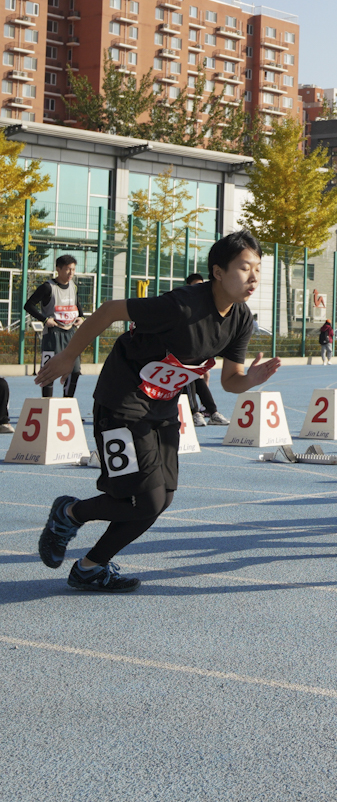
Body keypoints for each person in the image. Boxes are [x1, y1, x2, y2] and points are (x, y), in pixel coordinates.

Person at [35, 231, 278, 592]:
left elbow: (231, 381)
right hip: (121, 400)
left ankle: (90, 566)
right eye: (245, 268)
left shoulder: (241, 318)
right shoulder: (181, 305)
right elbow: (111, 310)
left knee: (161, 499)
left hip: (162, 407)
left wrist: (251, 380)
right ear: (217, 271)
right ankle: (69, 514)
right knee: (143, 500)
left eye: (258, 269)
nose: (254, 277)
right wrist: (69, 355)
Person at [26, 254, 85, 399]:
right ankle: (47, 405)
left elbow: (77, 304)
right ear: (58, 269)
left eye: (73, 269)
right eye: (68, 269)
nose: (71, 273)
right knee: (49, 372)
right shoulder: (48, 287)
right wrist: (45, 319)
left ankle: (67, 402)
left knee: (75, 370)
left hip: (71, 333)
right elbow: (28, 305)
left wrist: (81, 317)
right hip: (53, 334)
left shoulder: (73, 286)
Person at [178, 273, 231, 427]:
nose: (198, 288)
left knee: (200, 377)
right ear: (188, 286)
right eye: (195, 285)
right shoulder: (181, 302)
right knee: (190, 376)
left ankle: (211, 411)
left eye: (201, 285)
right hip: (177, 354)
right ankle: (194, 412)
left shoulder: (205, 304)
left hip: (195, 352)